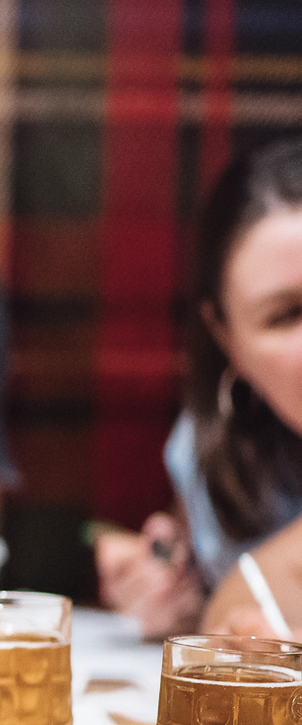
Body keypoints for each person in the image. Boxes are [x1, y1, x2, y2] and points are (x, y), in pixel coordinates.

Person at [98, 136, 302, 637]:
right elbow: (235, 617)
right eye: (285, 316)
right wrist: (179, 594)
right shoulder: (214, 454)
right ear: (228, 339)